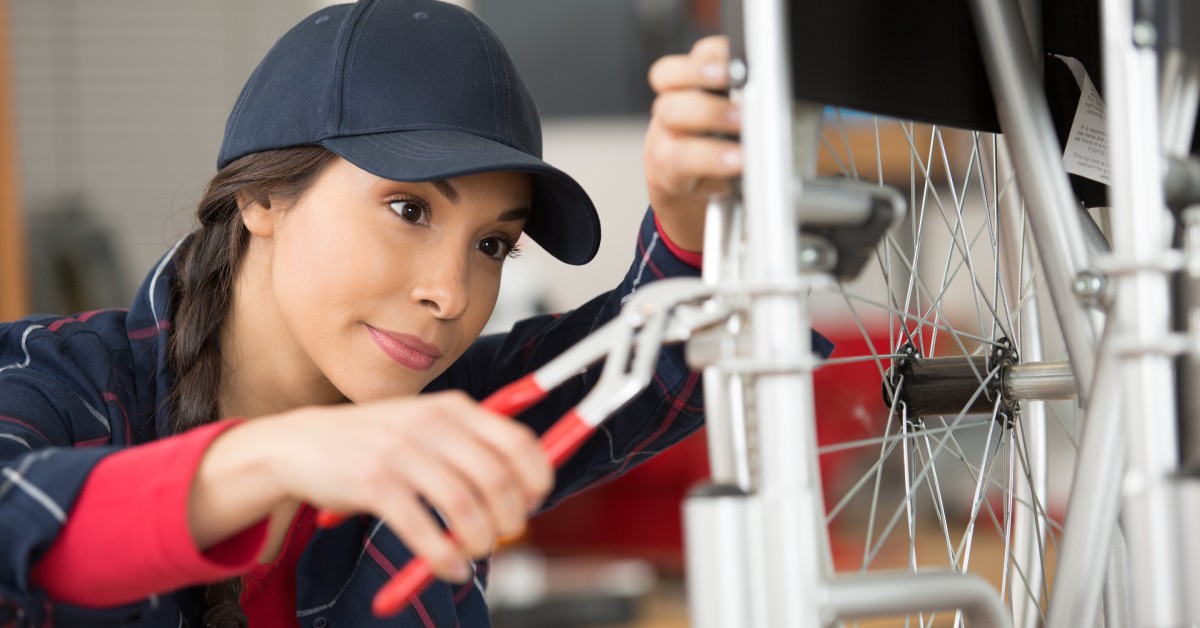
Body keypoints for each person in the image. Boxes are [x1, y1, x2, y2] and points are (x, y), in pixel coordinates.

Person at [0, 1, 743, 626]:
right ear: (261, 196)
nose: (451, 295)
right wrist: (282, 455)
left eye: (492, 244)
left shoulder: (443, 426)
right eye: (408, 208)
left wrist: (689, 225)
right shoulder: (58, 384)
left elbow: (655, 363)